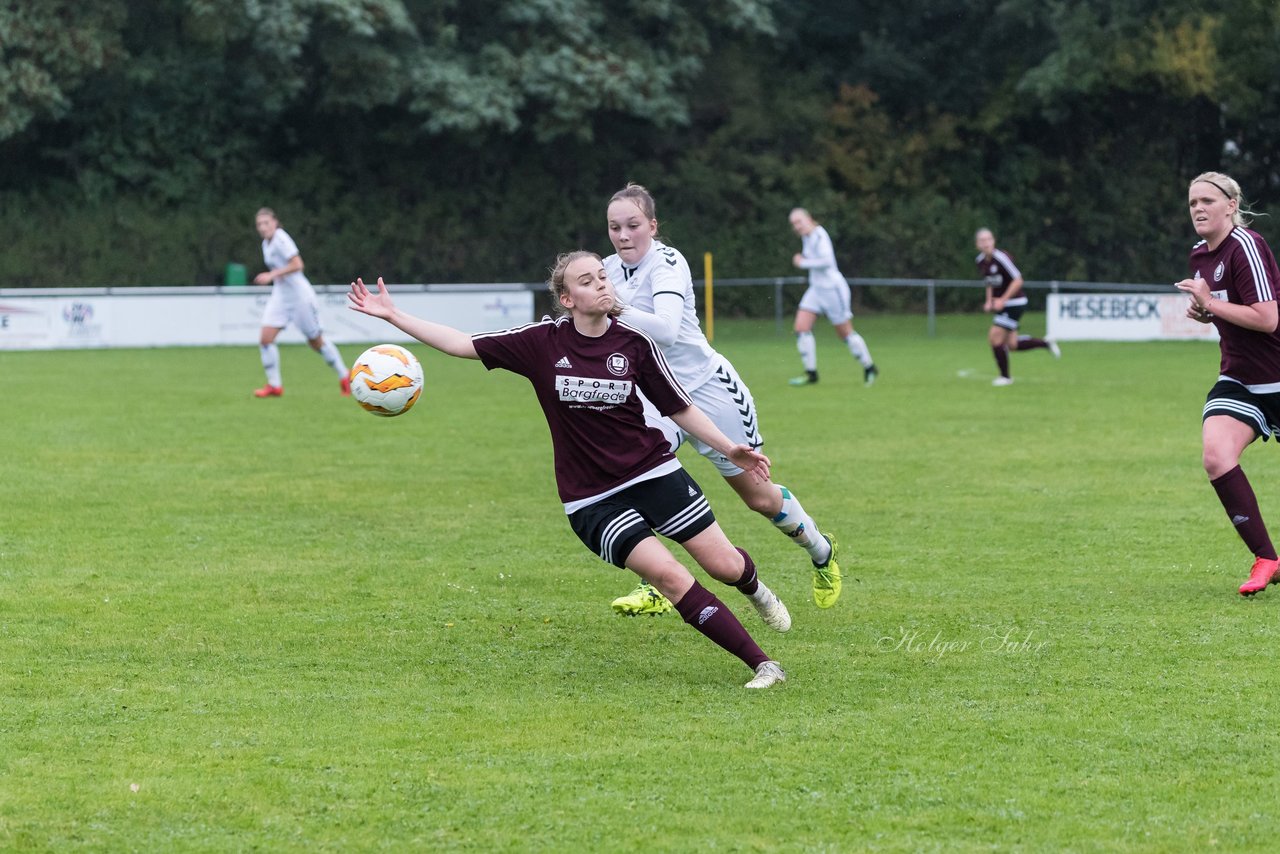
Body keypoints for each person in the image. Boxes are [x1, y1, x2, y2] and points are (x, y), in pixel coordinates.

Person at [347, 252, 791, 688]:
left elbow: (679, 408)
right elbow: (462, 342)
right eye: (587, 280)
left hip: (652, 472)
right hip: (591, 498)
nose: (601, 284)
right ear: (567, 298)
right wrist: (393, 315)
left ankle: (756, 590)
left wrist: (730, 447)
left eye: (603, 276)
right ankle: (764, 665)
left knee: (725, 566)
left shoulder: (635, 344)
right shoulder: (543, 342)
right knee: (671, 577)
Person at [604, 184, 843, 617]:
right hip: (657, 400)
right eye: (614, 227)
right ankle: (655, 582)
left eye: (633, 225)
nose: (623, 235)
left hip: (709, 392)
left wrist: (612, 307)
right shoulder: (606, 270)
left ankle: (822, 550)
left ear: (653, 227)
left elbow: (667, 330)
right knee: (643, 477)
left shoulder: (668, 263)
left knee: (760, 499)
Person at [1175, 171, 1280, 596]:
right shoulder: (1200, 255)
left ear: (1231, 205)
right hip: (1239, 377)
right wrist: (1206, 312)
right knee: (1217, 456)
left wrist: (1212, 304)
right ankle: (1267, 558)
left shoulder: (1247, 247)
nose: (1198, 209)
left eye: (1207, 201)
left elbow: (1267, 318)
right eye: (1192, 203)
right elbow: (1223, 309)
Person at [251, 207, 351, 398]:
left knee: (316, 342)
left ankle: (344, 375)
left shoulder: (281, 239)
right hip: (281, 296)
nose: (263, 227)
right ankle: (274, 385)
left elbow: (298, 264)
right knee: (265, 339)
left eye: (266, 223)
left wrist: (271, 275)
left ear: (275, 222)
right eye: (259, 225)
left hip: (300, 297)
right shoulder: (266, 243)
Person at [787, 207, 878, 386]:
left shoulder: (820, 235)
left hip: (832, 290)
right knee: (801, 328)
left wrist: (802, 262)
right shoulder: (807, 237)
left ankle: (869, 367)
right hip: (816, 289)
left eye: (799, 222)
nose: (797, 226)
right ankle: (811, 374)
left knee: (844, 333)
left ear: (809, 218)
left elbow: (827, 261)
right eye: (793, 224)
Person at [975, 227, 1059, 386]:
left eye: (989, 239)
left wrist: (1002, 300)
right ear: (977, 244)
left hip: (1015, 303)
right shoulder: (980, 261)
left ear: (994, 241)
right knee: (1012, 345)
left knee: (994, 337)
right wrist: (989, 300)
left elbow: (1018, 280)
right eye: (982, 240)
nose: (986, 243)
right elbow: (990, 281)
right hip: (1004, 305)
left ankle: (1005, 377)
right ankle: (1046, 343)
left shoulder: (1001, 258)